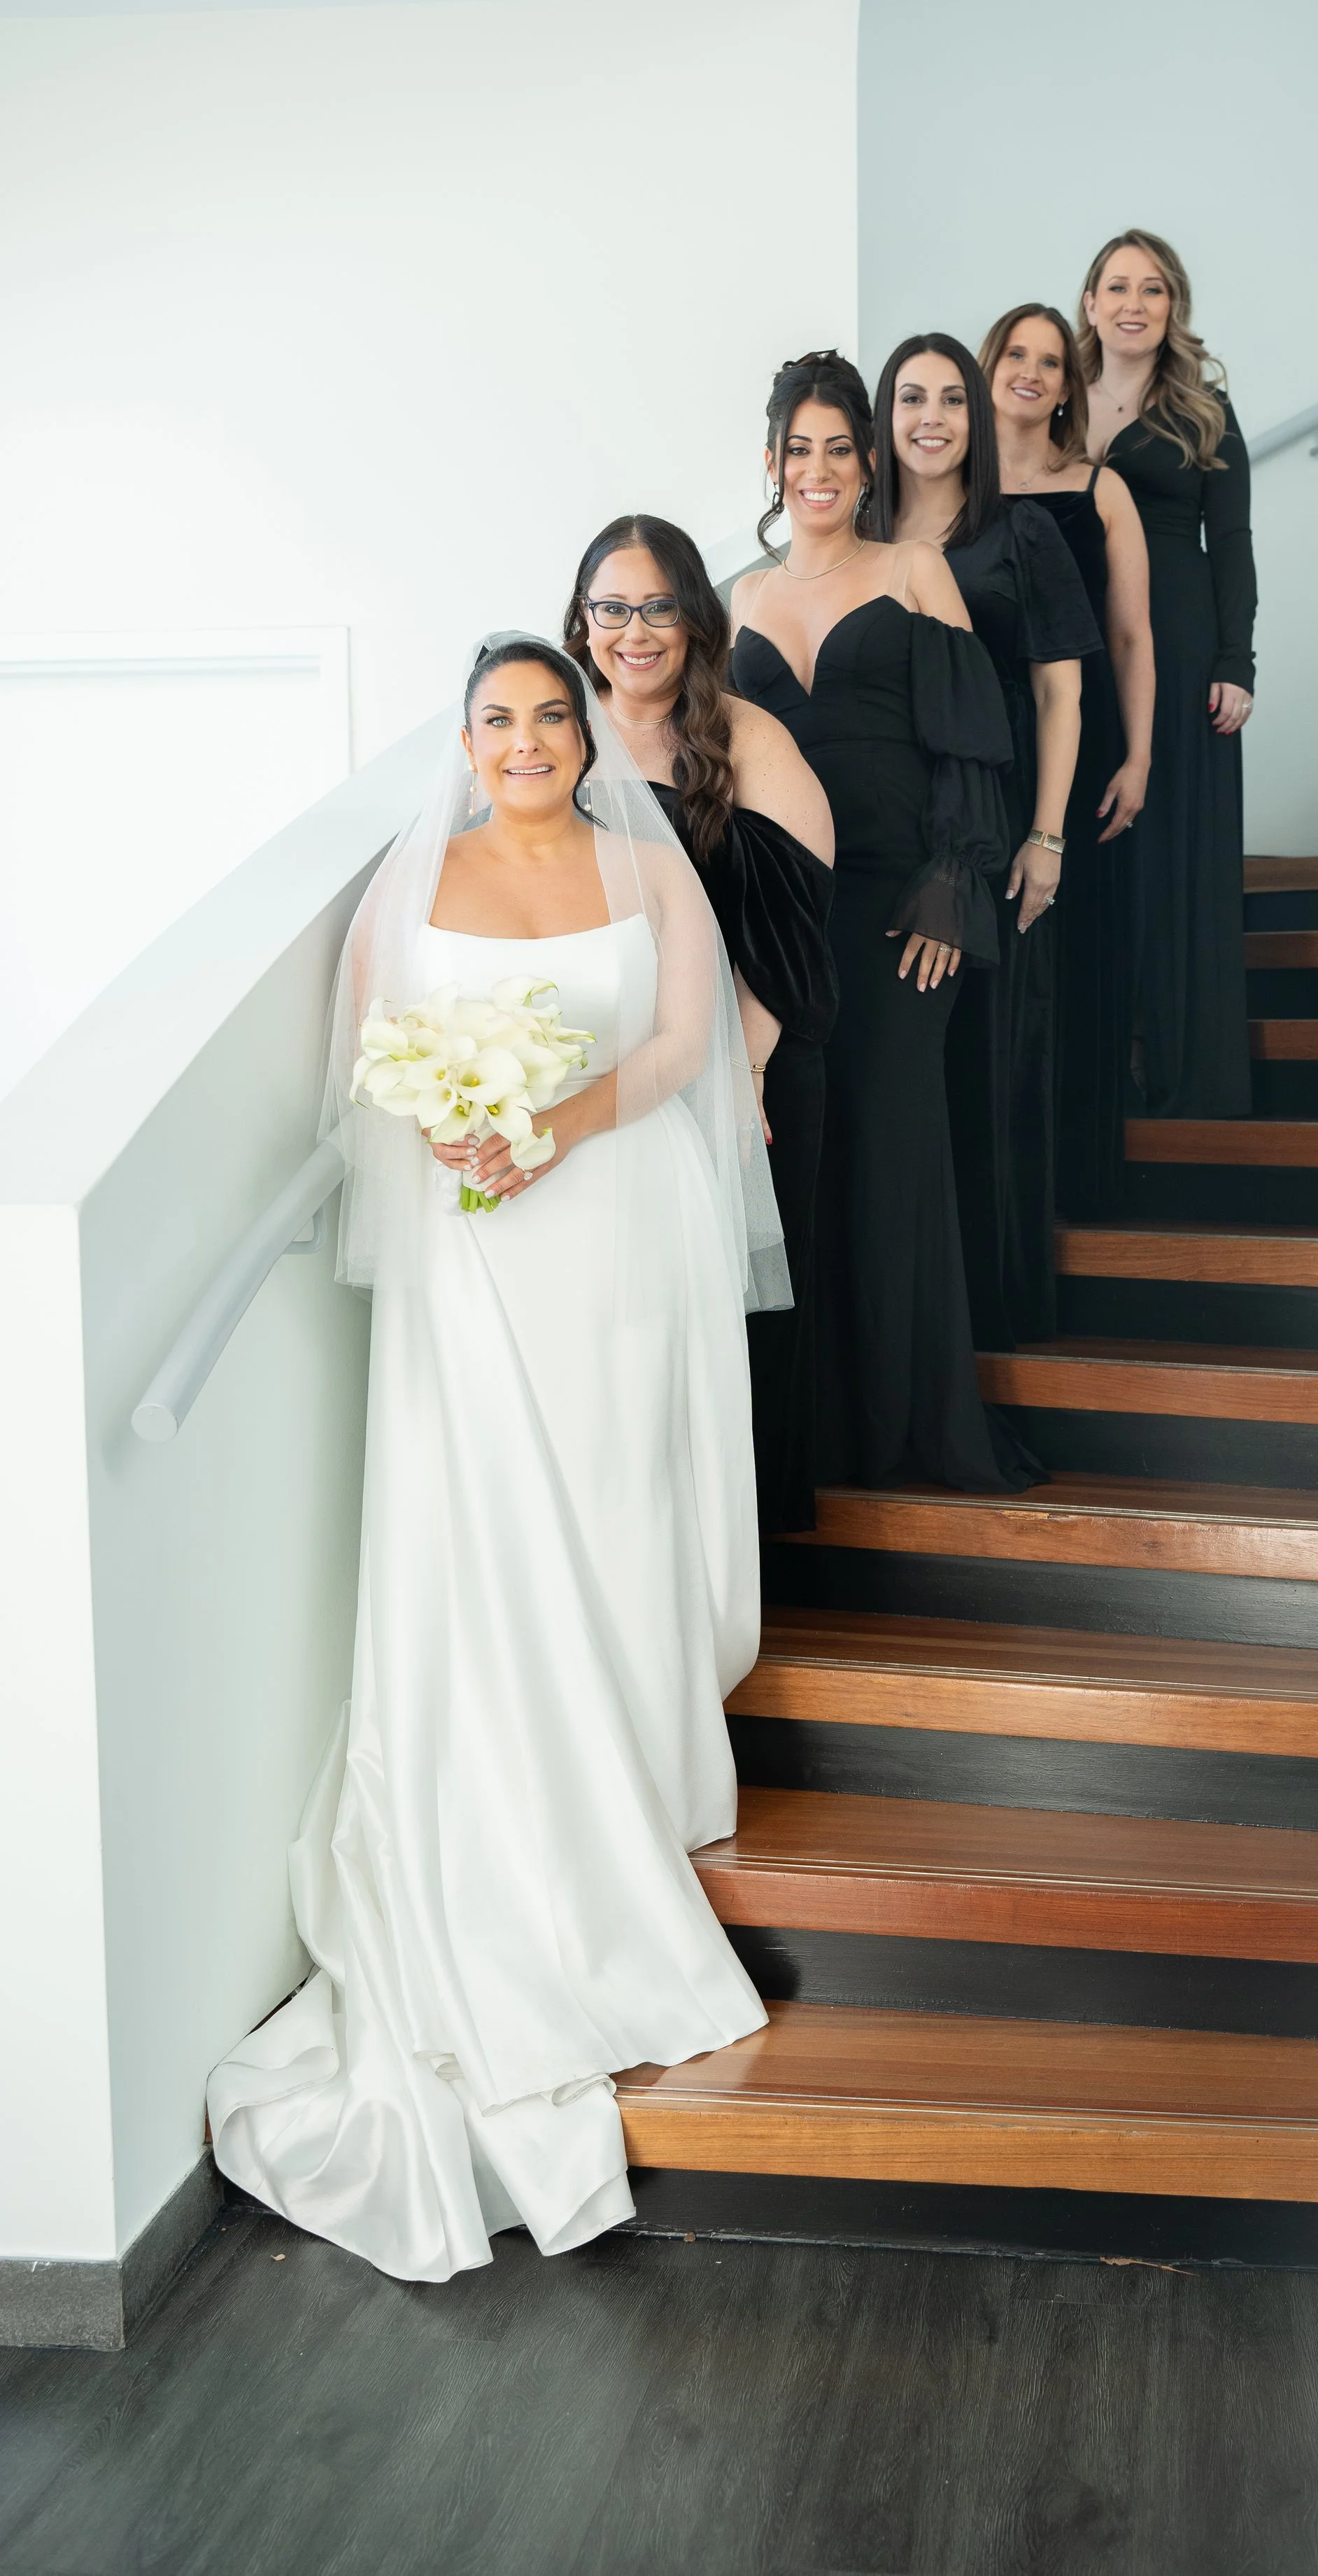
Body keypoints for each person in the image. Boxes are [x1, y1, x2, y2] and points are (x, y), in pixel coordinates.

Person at [207, 635, 786, 2283]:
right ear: (463, 740)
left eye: (551, 715)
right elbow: (376, 1064)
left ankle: (638, 1760)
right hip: (478, 1252)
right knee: (499, 1519)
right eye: (500, 719)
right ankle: (533, 1818)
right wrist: (461, 1131)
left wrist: (560, 1123)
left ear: (582, 731)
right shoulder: (417, 878)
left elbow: (681, 1046)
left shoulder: (639, 861)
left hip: (616, 1228)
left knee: (620, 1502)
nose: (528, 739)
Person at [729, 348, 1030, 1491]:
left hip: (910, 912)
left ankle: (909, 1430)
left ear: (867, 463)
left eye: (837, 448)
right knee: (805, 1166)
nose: (817, 468)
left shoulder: (914, 573)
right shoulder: (740, 604)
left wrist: (954, 890)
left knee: (895, 1153)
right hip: (788, 928)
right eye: (796, 448)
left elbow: (970, 746)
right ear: (772, 462)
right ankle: (815, 1440)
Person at [564, 513, 835, 1534]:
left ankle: (737, 1540)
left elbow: (797, 919)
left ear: (695, 617)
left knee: (734, 1304)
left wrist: (741, 1070)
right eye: (613, 608)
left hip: (742, 1064)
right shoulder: (558, 738)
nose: (636, 630)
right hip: (603, 1076)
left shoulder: (744, 735)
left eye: (659, 606)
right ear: (583, 621)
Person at [869, 332, 1099, 1345]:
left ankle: (998, 1324)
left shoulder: (1022, 535)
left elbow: (1060, 690)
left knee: (991, 1068)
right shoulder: (858, 533)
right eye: (911, 398)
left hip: (992, 828)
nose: (932, 417)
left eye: (951, 399)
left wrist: (1046, 833)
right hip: (884, 836)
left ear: (977, 415)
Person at [979, 302, 1154, 1220]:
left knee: (1077, 970)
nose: (1033, 371)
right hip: (973, 758)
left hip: (1076, 755)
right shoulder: (940, 490)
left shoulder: (1100, 490)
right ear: (991, 364)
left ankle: (1080, 1187)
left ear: (1067, 384)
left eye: (1051, 360)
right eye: (1017, 353)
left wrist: (1140, 755)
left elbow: (1128, 635)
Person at [1077, 228, 1257, 1118]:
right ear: (1089, 303)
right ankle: (1103, 1060)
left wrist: (1236, 663)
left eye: (1152, 289)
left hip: (1181, 652)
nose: (1133, 304)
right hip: (1080, 645)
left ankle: (1185, 1069)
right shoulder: (1055, 405)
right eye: (1117, 287)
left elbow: (1231, 548)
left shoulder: (1205, 413)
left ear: (1172, 307)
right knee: (1094, 841)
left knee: (1175, 858)